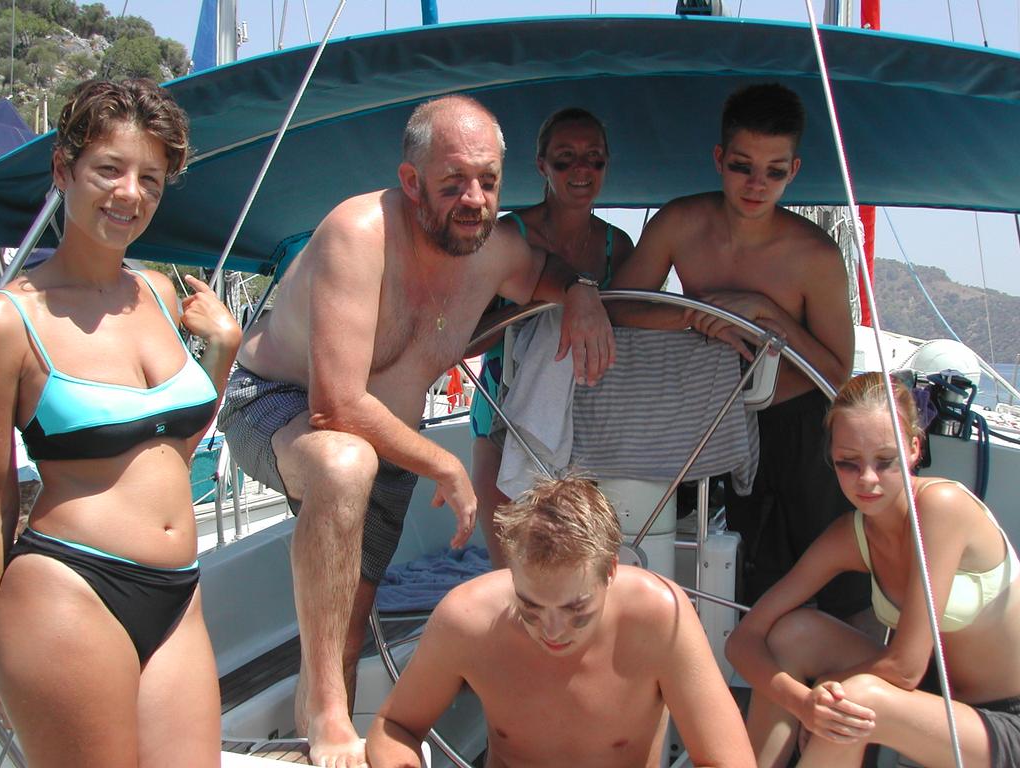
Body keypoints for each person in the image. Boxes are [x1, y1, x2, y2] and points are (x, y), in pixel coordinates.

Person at [216, 94, 614, 766]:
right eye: (453, 181)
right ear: (410, 182)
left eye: (487, 182)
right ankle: (324, 714)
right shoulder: (358, 233)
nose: (474, 199)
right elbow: (335, 404)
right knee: (344, 464)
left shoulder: (501, 253)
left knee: (347, 630)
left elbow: (558, 277)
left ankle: (328, 744)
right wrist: (447, 464)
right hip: (278, 403)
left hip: (392, 438)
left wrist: (583, 292)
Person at [0, 79, 240, 766]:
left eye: (151, 179)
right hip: (68, 592)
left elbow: (172, 448)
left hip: (179, 592)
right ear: (63, 169)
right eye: (108, 169)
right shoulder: (13, 321)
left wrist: (222, 355)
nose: (129, 193)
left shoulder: (162, 296)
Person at [610, 82, 866, 618]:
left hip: (799, 424)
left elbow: (836, 374)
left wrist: (763, 311)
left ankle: (844, 679)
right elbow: (619, 308)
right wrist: (689, 315)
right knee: (747, 570)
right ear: (719, 159)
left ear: (793, 172)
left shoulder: (815, 256)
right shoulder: (679, 223)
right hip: (712, 423)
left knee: (833, 574)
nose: (756, 184)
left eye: (774, 172)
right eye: (743, 166)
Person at [725, 372, 1020, 768]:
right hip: (930, 703)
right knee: (793, 634)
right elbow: (744, 641)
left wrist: (828, 693)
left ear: (915, 449)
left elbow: (905, 668)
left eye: (885, 461)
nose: (867, 480)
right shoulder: (849, 536)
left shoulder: (942, 507)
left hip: (1002, 723)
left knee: (856, 699)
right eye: (849, 464)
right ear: (831, 457)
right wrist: (803, 703)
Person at [366, 474, 754, 768]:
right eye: (529, 607)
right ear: (511, 574)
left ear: (610, 572)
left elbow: (728, 761)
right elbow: (395, 726)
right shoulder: (465, 619)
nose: (552, 631)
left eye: (576, 610)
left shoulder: (660, 617)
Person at [470, 106, 633, 567]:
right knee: (510, 567)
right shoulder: (506, 235)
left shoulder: (616, 246)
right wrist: (542, 308)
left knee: (574, 567)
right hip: (499, 409)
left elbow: (629, 324)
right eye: (565, 158)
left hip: (589, 418)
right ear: (541, 164)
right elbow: (464, 341)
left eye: (594, 159)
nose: (581, 170)